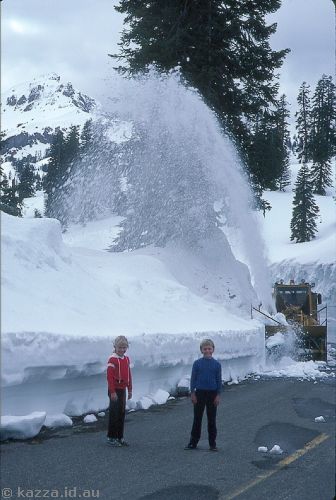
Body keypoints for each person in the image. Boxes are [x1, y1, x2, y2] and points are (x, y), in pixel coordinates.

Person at [185, 338, 222, 451]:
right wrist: (192, 393)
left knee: (211, 419)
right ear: (201, 350)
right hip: (199, 393)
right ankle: (193, 442)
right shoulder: (197, 364)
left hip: (212, 394)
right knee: (197, 419)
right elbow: (193, 379)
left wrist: (218, 395)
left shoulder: (217, 365)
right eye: (204, 349)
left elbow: (219, 380)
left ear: (213, 350)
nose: (207, 351)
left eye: (209, 348)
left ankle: (212, 444)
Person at [106, 335, 132, 447]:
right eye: (120, 347)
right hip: (115, 390)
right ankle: (111, 437)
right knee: (114, 414)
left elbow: (129, 375)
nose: (122, 350)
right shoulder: (112, 359)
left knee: (121, 413)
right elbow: (109, 377)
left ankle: (120, 437)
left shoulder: (126, 359)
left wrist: (130, 389)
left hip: (123, 389)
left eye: (124, 347)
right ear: (115, 347)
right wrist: (112, 391)